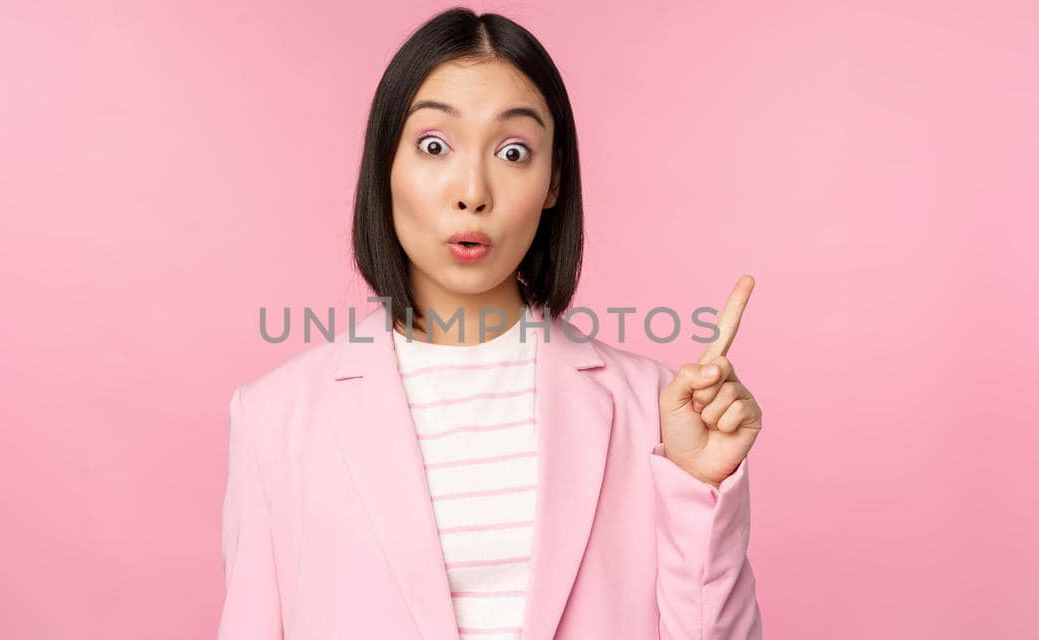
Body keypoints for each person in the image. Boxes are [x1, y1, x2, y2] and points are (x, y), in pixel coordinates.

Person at [220, 7, 764, 639]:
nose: (472, 191)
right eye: (433, 146)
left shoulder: (654, 412)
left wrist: (701, 487)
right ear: (385, 167)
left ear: (553, 180)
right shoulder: (274, 419)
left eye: (513, 151)